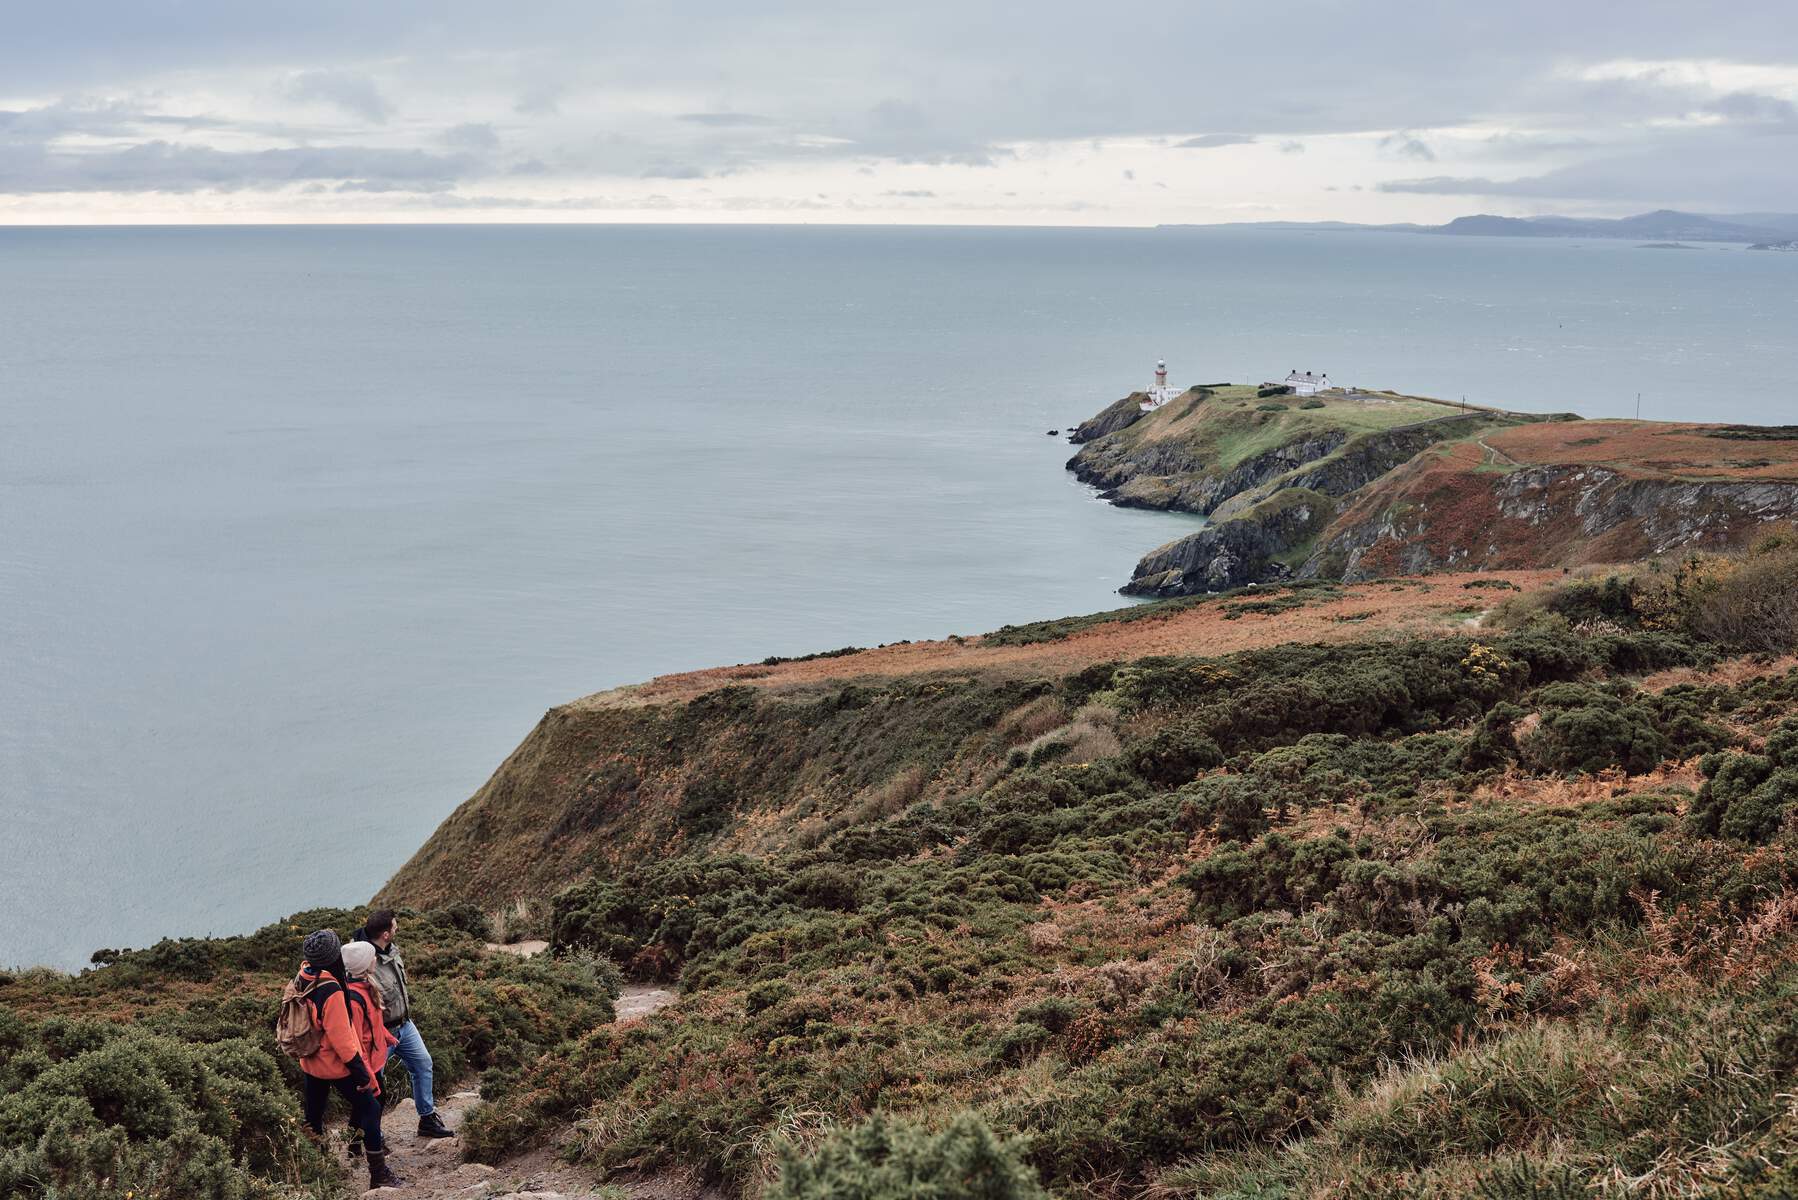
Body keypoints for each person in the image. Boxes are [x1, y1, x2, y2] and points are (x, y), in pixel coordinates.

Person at [295, 929, 403, 1190]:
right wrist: (361, 1072)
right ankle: (378, 1174)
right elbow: (342, 1039)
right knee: (371, 1107)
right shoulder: (331, 989)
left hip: (310, 1061)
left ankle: (314, 1172)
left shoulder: (303, 976)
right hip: (335, 1065)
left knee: (313, 1116)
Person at [352, 909, 453, 1139]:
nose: (397, 929)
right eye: (395, 927)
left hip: (405, 1026)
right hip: (380, 1033)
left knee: (423, 1064)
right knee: (372, 1085)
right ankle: (365, 1135)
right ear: (385, 934)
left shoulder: (391, 950)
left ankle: (427, 1119)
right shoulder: (363, 962)